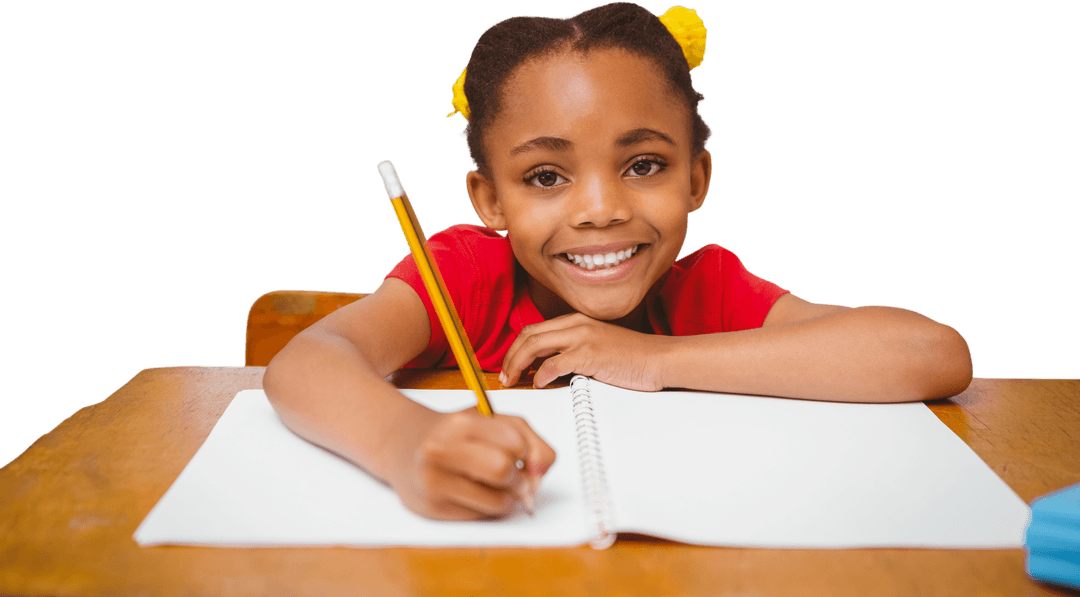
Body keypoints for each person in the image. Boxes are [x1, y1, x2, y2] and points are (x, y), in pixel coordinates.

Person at [263, 2, 973, 522]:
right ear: (491, 199)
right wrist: (404, 442)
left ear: (696, 177)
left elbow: (931, 354)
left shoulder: (711, 289)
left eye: (643, 164)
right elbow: (307, 359)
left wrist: (648, 358)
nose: (600, 208)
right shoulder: (465, 274)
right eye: (545, 176)